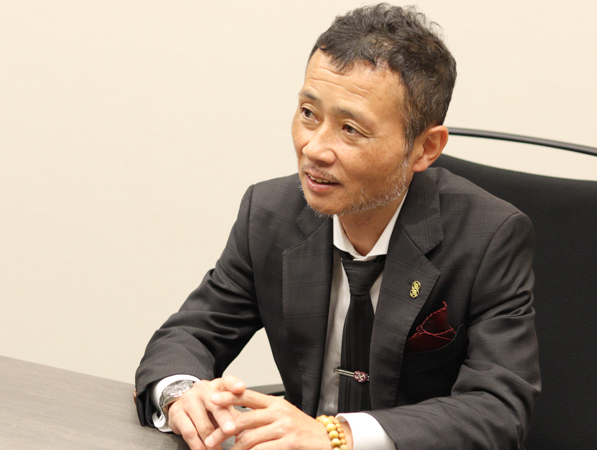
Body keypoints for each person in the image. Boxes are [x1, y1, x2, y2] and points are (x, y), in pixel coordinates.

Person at [134, 4, 540, 449]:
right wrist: (181, 394)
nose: (314, 148)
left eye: (350, 129)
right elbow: (189, 334)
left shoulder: (489, 237)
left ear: (425, 148)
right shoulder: (269, 213)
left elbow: (499, 409)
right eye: (309, 113)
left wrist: (336, 435)